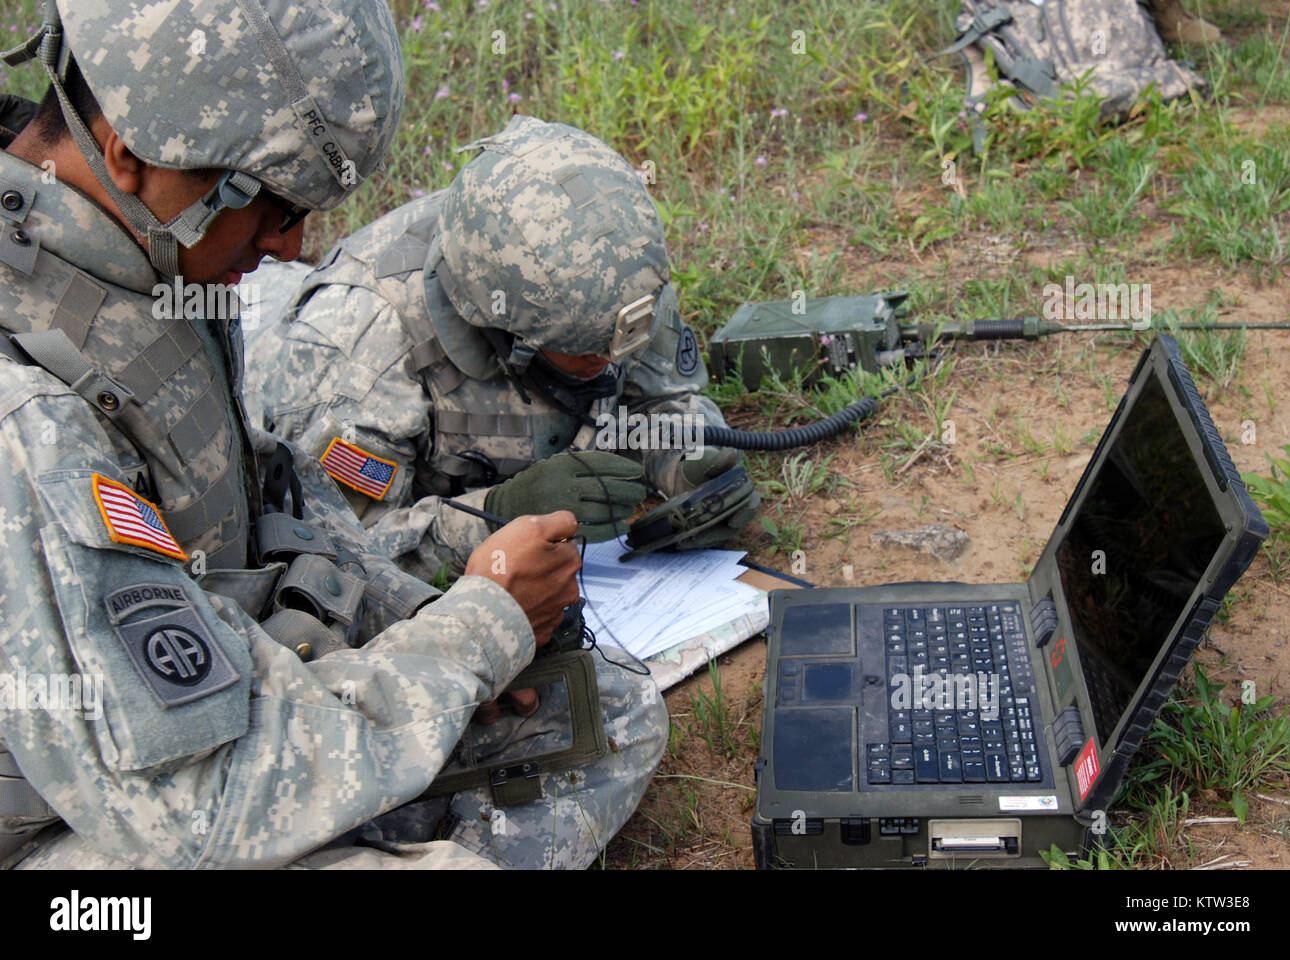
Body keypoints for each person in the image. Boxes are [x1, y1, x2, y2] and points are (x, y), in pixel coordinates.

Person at [0, 0, 665, 870]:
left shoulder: (132, 270)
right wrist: (475, 633)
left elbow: (266, 499)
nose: (293, 245)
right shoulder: (30, 416)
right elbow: (205, 800)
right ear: (134, 152)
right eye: (272, 207)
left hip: (223, 706)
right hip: (104, 819)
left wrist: (419, 616)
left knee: (601, 714)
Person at [247, 116, 756, 584]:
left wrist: (686, 463)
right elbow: (343, 550)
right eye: (585, 355)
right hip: (256, 330)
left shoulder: (614, 271)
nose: (611, 364)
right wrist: (502, 512)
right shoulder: (359, 357)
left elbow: (658, 398)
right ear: (499, 329)